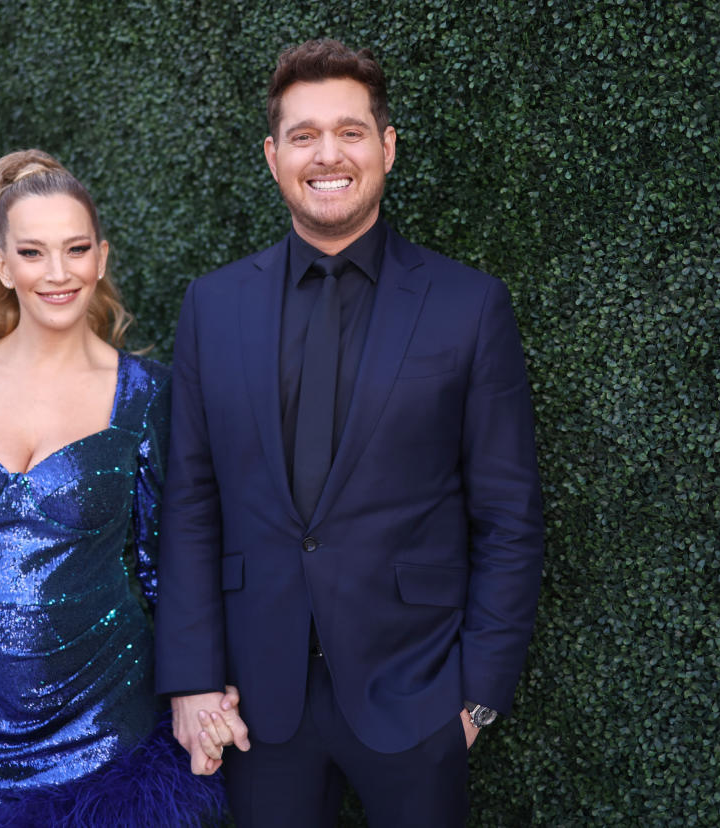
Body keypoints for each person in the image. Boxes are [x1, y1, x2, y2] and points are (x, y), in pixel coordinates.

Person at [155, 39, 545, 827]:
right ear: (272, 157)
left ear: (387, 147)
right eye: (303, 135)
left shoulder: (469, 307)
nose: (326, 155)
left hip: (418, 696)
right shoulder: (213, 306)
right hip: (256, 704)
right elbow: (192, 501)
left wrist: (478, 699)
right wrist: (192, 680)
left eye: (350, 131)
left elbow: (510, 515)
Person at [0, 149, 230, 827]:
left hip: (108, 720)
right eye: (33, 253)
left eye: (76, 249)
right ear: (2, 265)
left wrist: (201, 684)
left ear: (101, 257)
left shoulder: (145, 391)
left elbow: (167, 561)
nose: (58, 273)